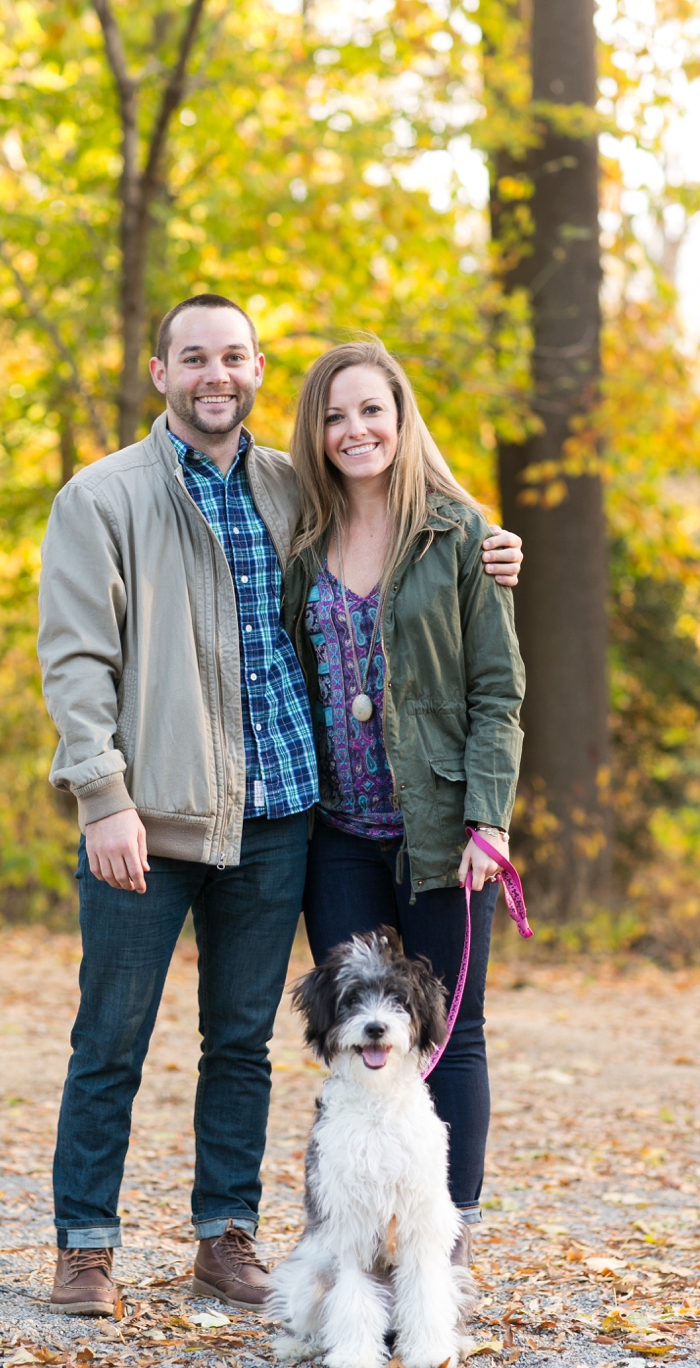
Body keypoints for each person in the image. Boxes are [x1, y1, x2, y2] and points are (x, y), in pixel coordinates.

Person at [37, 296, 523, 1315]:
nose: (214, 375)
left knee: (244, 1036)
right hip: (171, 813)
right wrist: (100, 792)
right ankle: (85, 1244)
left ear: (255, 369)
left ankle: (233, 1235)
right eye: (192, 358)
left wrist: (495, 550)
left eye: (231, 358)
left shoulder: (290, 490)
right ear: (159, 368)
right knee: (111, 1035)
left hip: (285, 816)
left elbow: (443, 589)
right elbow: (76, 659)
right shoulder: (107, 497)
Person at [283, 338, 525, 1263]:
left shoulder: (462, 536)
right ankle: (355, 1242)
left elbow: (498, 692)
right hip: (336, 833)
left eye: (371, 411)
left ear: (400, 417)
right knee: (357, 1029)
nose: (355, 431)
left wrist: (488, 821)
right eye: (336, 416)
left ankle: (443, 1240)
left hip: (440, 832)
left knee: (450, 1032)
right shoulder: (302, 539)